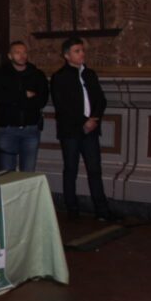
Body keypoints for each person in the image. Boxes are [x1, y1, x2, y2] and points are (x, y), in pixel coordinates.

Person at [50, 37, 114, 220]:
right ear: (67, 55)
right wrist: (83, 121)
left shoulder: (90, 74)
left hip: (91, 129)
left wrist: (94, 119)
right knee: (71, 170)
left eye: (82, 50)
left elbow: (101, 100)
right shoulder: (60, 77)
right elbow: (63, 105)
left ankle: (102, 211)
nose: (82, 54)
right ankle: (72, 210)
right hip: (71, 131)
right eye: (77, 51)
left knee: (95, 169)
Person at [0, 40, 49, 172]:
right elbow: (2, 98)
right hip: (8, 129)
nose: (22, 55)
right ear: (10, 56)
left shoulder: (37, 75)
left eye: (24, 52)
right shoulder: (2, 75)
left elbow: (41, 100)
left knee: (28, 171)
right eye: (17, 53)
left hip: (30, 129)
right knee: (7, 172)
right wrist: (24, 95)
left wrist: (16, 98)